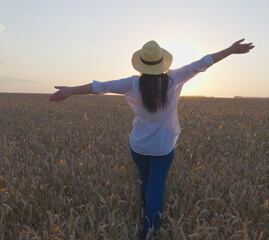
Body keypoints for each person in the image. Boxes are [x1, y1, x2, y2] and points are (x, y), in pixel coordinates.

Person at [49, 39, 254, 239]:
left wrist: (70, 91)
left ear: (141, 64)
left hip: (138, 147)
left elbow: (100, 87)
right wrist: (230, 50)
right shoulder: (175, 78)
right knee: (157, 190)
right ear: (162, 63)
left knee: (145, 181)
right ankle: (149, 233)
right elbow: (204, 62)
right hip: (163, 149)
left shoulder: (131, 83)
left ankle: (144, 204)